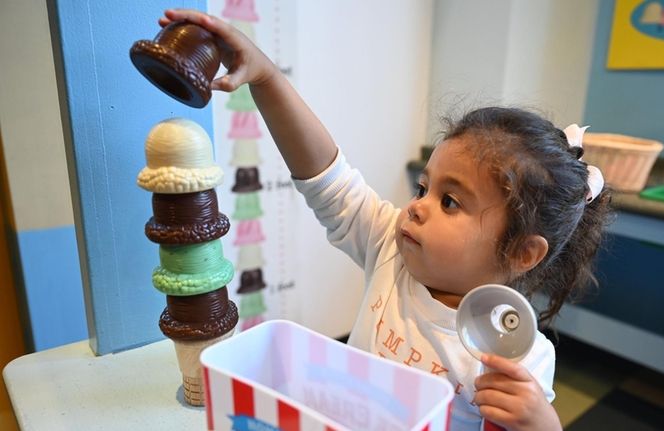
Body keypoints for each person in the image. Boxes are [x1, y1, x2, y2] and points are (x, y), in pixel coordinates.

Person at [159, 9, 612, 431]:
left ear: (520, 251)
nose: (416, 206)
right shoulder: (391, 250)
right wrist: (266, 77)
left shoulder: (521, 354)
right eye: (423, 188)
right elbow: (326, 178)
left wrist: (540, 423)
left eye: (450, 201)